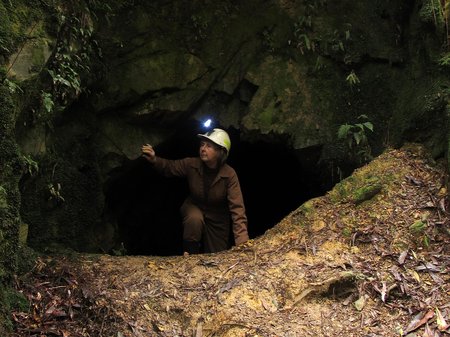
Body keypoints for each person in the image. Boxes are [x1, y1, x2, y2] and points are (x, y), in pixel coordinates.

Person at [141, 128, 249, 255]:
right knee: (194, 218)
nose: (203, 148)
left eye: (209, 146)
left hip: (218, 217)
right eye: (202, 144)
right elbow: (170, 167)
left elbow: (237, 209)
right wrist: (155, 160)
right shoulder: (192, 164)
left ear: (221, 152)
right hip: (194, 205)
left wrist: (242, 243)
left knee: (217, 256)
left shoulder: (230, 175)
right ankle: (190, 256)